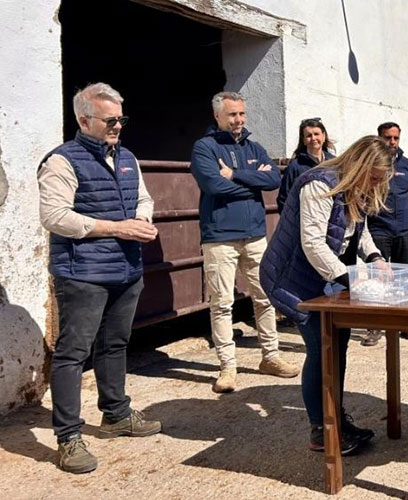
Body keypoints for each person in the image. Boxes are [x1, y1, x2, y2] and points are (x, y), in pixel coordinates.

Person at [38, 82, 162, 474]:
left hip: (125, 269)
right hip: (83, 272)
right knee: (73, 353)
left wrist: (142, 221)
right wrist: (117, 229)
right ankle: (68, 438)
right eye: (110, 120)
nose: (118, 126)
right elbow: (54, 216)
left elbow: (143, 198)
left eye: (121, 119)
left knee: (115, 344)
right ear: (83, 119)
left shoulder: (127, 157)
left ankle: (115, 415)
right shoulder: (61, 161)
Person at [259, 136, 395, 455]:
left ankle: (336, 417)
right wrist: (350, 278)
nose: (375, 184)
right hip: (292, 279)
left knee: (339, 344)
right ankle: (321, 429)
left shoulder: (356, 188)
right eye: (373, 177)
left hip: (325, 280)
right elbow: (313, 244)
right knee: (322, 348)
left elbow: (360, 232)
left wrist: (374, 258)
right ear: (360, 166)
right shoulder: (318, 186)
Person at [190, 91, 299, 393]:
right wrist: (252, 182)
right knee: (222, 303)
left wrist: (235, 174)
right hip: (220, 237)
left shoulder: (254, 147)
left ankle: (271, 357)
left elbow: (274, 181)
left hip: (255, 235)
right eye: (232, 115)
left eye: (241, 114)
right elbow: (213, 185)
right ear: (217, 116)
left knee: (265, 298)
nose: (238, 120)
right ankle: (227, 368)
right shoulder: (204, 148)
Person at [361, 122, 408, 346]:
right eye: (388, 138)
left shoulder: (407, 166)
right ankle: (374, 327)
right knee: (377, 279)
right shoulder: (372, 165)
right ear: (379, 138)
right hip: (379, 229)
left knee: (404, 278)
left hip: (404, 230)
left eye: (395, 138)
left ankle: (406, 325)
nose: (392, 142)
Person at [277, 118, 336, 214]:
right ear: (304, 140)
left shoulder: (334, 163)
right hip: (305, 223)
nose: (313, 138)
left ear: (324, 136)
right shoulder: (296, 166)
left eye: (316, 134)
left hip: (330, 221)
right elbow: (284, 199)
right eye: (309, 135)